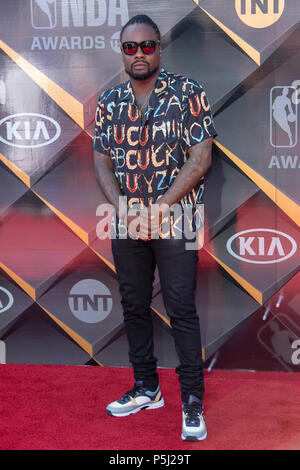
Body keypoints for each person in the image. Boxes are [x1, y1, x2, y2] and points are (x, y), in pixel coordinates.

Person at [93, 14, 217, 441]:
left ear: (159, 48)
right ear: (122, 52)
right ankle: (147, 387)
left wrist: (159, 209)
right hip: (126, 220)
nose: (140, 53)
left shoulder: (188, 92)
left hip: (176, 216)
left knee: (181, 307)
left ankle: (193, 401)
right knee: (133, 304)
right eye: (131, 48)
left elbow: (201, 158)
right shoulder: (109, 102)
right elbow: (102, 160)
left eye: (148, 46)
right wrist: (126, 211)